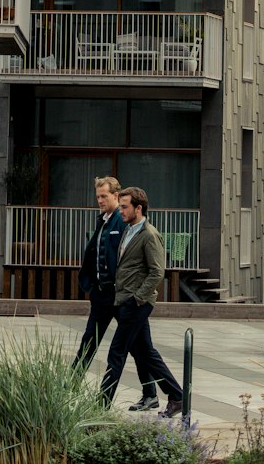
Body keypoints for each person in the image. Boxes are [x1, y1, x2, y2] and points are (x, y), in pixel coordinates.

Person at [73, 176, 159, 412]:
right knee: (89, 340)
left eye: (104, 196)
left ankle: (152, 393)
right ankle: (70, 386)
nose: (99, 200)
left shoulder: (124, 222)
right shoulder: (103, 220)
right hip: (102, 295)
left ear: (116, 196)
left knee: (140, 347)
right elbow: (94, 253)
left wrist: (134, 295)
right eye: (97, 196)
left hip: (123, 296)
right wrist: (90, 283)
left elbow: (134, 260)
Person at [100, 185, 183, 418]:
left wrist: (137, 299)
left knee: (116, 354)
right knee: (146, 354)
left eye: (125, 207)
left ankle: (100, 406)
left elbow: (157, 272)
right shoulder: (128, 230)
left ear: (138, 208)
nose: (121, 211)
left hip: (136, 304)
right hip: (126, 300)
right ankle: (177, 397)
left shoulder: (149, 235)